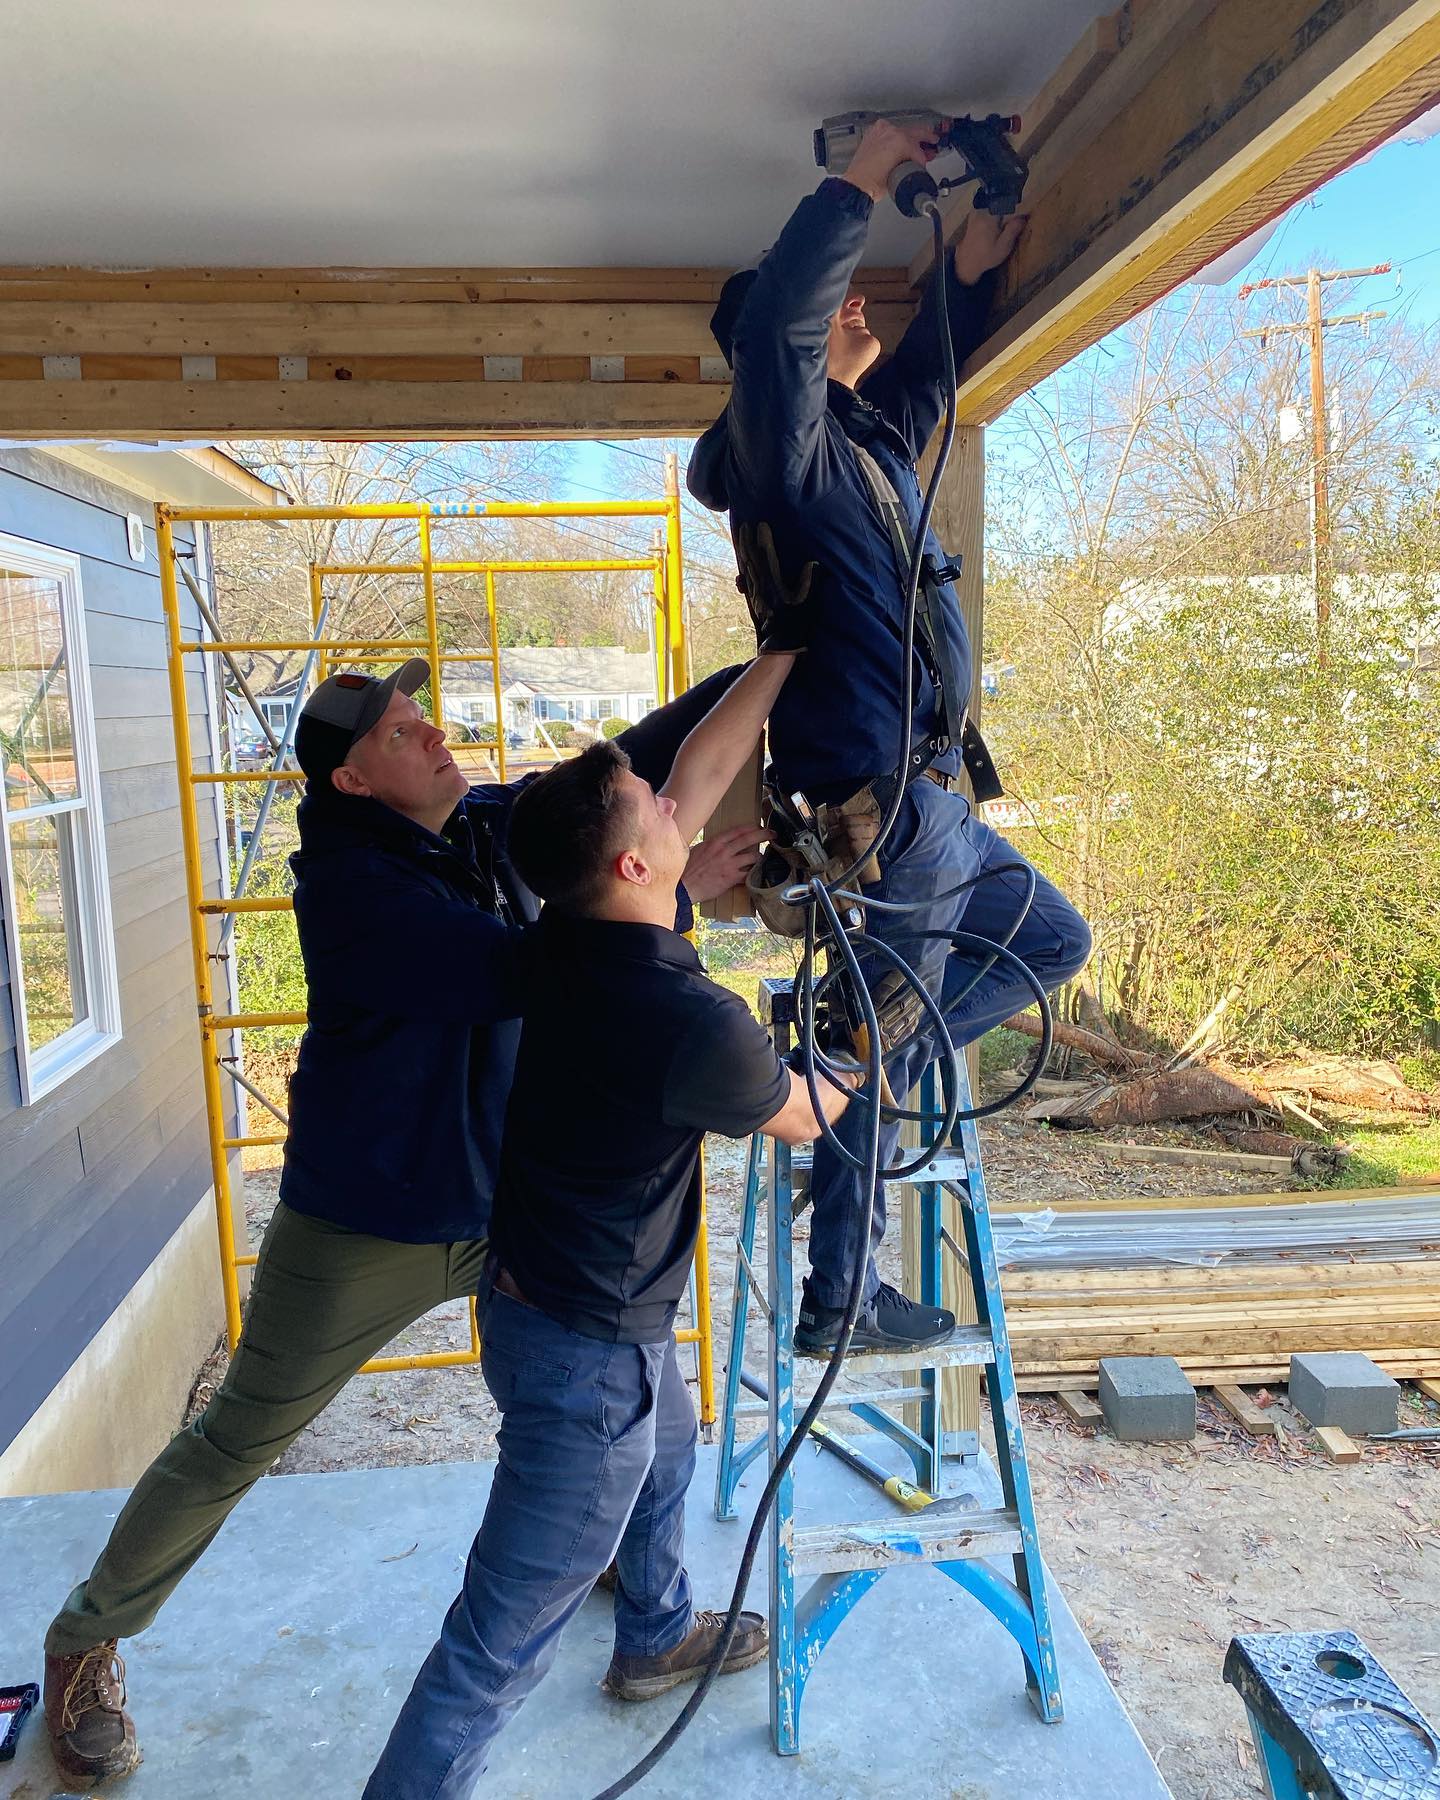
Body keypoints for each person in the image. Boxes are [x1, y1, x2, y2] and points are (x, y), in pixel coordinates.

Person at [41, 656, 763, 1784]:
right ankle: (86, 1636)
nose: (432, 737)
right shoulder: (351, 896)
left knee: (653, 1412)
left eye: (423, 717)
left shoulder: (477, 823)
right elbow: (536, 968)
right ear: (354, 783)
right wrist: (659, 898)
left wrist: (773, 651)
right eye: (399, 733)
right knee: (238, 1439)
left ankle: (656, 1622)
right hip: (366, 1222)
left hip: (508, 1206)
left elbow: (628, 768)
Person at [364, 657, 854, 1799]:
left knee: (671, 1454)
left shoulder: (562, 939)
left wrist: (783, 655)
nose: (683, 808)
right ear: (636, 863)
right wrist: (867, 1053)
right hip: (586, 1364)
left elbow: (700, 771)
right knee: (494, 1645)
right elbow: (799, 1116)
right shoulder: (695, 1024)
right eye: (659, 814)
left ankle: (653, 1637)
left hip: (555, 1310)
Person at [687, 118, 1092, 1355]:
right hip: (880, 802)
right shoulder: (785, 464)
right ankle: (842, 1296)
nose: (859, 306)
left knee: (1045, 941)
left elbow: (933, 369)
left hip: (922, 802)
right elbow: (775, 340)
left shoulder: (861, 447)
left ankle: (860, 1067)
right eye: (837, 306)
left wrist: (971, 259)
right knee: (907, 1017)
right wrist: (858, 184)